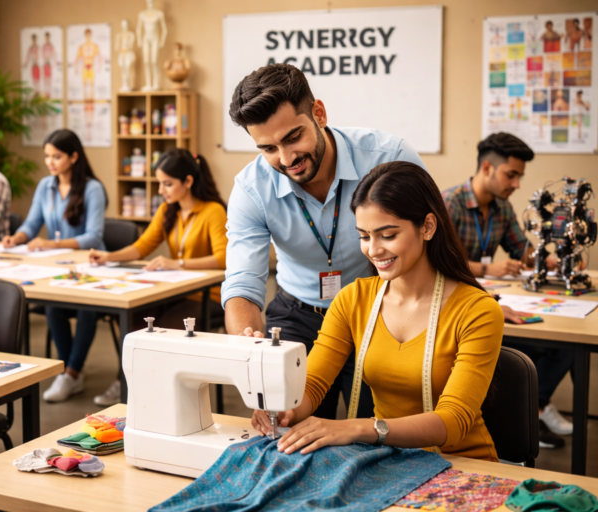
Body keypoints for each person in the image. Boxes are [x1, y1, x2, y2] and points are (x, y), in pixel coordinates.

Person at [252, 162, 504, 462]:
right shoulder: (353, 299)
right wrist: (284, 409)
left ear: (427, 227)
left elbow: (453, 420)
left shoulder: (477, 310)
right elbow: (314, 384)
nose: (373, 250)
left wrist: (358, 428)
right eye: (364, 236)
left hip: (463, 466)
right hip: (390, 460)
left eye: (387, 235)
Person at [223, 63, 426, 421]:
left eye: (292, 138)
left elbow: (430, 245)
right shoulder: (252, 189)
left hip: (379, 310)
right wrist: (250, 348)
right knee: (287, 426)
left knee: (375, 429)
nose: (286, 160)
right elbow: (242, 284)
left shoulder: (390, 157)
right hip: (298, 313)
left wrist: (465, 302)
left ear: (319, 113)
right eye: (268, 148)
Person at [443, 132, 572, 449]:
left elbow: (523, 251)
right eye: (511, 175)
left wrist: (559, 262)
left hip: (494, 298)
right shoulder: (450, 203)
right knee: (525, 347)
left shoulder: (502, 208)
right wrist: (488, 268)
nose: (516, 184)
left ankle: (535, 407)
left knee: (565, 345)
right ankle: (524, 418)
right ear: (487, 168)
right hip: (459, 302)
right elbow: (441, 262)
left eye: (519, 177)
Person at [88, 148, 227, 405]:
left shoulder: (213, 211)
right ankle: (130, 382)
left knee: (160, 330)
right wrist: (109, 257)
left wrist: (177, 263)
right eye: (159, 183)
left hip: (207, 295)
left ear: (188, 181)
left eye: (167, 184)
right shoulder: (167, 210)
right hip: (175, 290)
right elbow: (142, 246)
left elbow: (223, 259)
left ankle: (156, 393)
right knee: (133, 318)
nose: (162, 190)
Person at [2, 129, 106, 402]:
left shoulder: (92, 188)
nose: (50, 162)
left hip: (90, 266)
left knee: (87, 308)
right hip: (57, 267)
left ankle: (71, 373)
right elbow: (32, 223)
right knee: (52, 305)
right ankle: (68, 368)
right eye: (47, 156)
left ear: (73, 156)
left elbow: (93, 236)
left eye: (56, 156)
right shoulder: (45, 186)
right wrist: (18, 237)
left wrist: (51, 244)